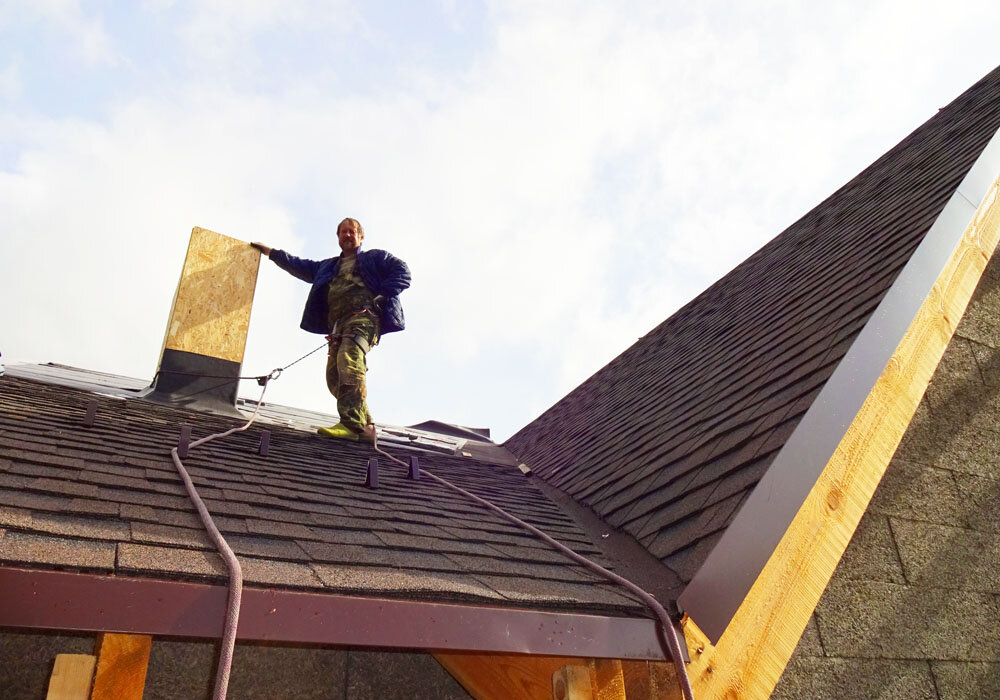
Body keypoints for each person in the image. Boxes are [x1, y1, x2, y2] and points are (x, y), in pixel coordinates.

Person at [251, 218, 410, 441]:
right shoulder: (326, 267)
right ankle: (365, 426)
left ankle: (351, 424)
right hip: (339, 325)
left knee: (350, 356)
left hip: (364, 317)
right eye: (343, 232)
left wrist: (382, 295)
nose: (347, 235)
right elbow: (297, 264)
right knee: (334, 376)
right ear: (337, 238)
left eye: (352, 232)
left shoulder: (375, 258)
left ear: (361, 237)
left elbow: (402, 271)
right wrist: (271, 252)